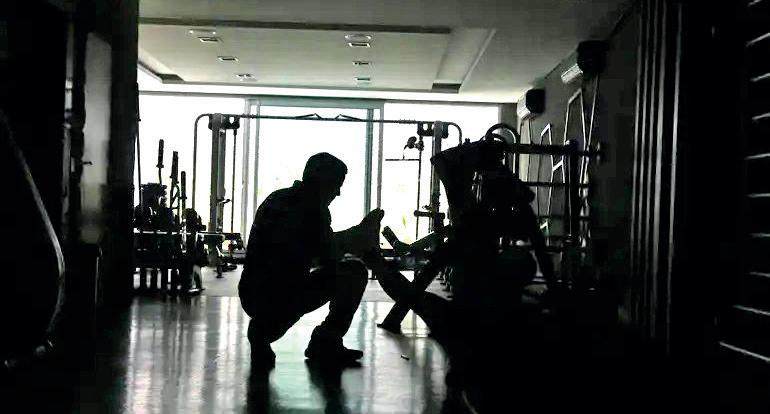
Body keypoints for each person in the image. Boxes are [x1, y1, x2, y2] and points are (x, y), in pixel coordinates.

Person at [239, 152, 384, 368]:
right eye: (336, 185)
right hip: (278, 296)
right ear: (323, 182)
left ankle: (263, 329)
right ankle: (325, 341)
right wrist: (358, 236)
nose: (338, 192)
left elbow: (310, 250)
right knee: (353, 273)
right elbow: (327, 255)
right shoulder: (312, 209)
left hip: (251, 293)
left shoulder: (276, 198)